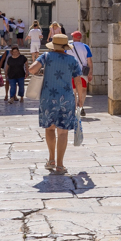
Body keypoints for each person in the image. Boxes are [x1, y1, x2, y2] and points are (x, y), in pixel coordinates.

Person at [28, 33, 81, 175]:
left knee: (50, 128)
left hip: (47, 99)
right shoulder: (72, 60)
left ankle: (51, 159)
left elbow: (32, 69)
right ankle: (60, 165)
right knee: (62, 132)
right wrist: (80, 98)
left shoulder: (46, 56)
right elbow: (77, 81)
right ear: (65, 47)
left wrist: (44, 70)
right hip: (67, 99)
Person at [68, 30, 92, 116]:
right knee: (83, 90)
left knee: (73, 91)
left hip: (71, 72)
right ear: (80, 38)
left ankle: (75, 108)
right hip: (83, 72)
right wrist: (90, 73)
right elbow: (89, 61)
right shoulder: (85, 47)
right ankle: (81, 106)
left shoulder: (68, 47)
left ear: (73, 38)